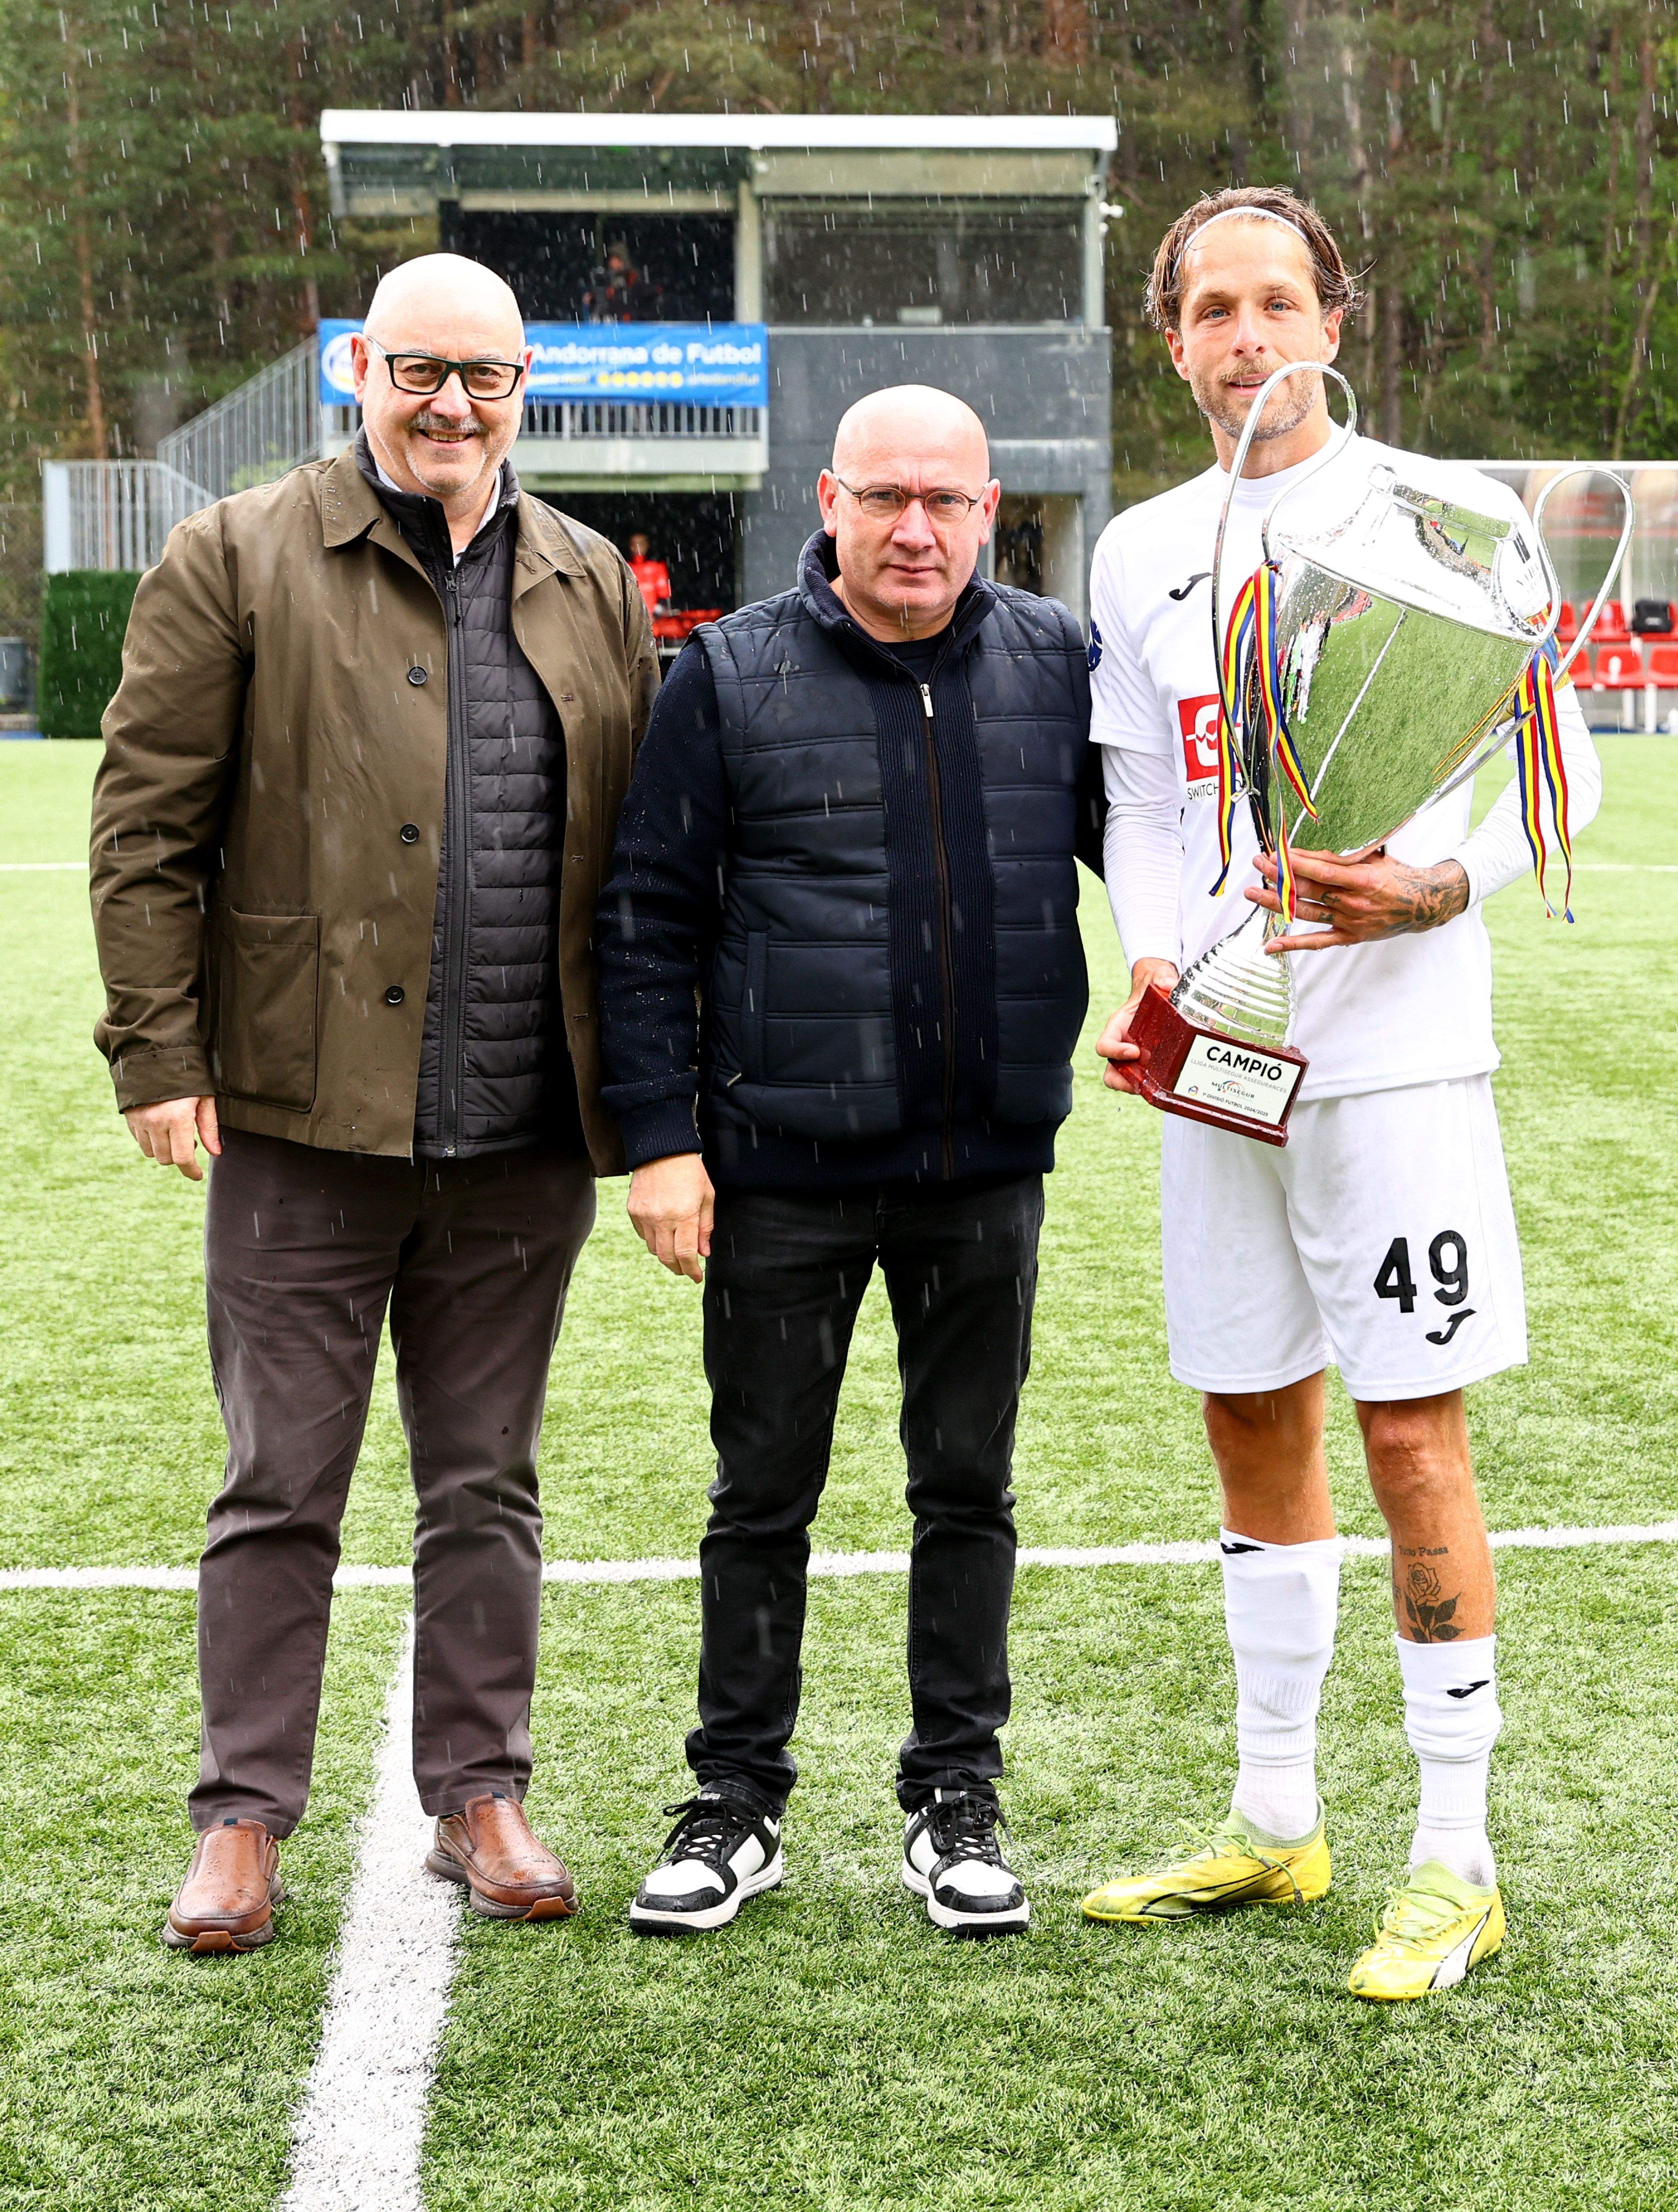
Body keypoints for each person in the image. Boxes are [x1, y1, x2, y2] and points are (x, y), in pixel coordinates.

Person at [91, 252, 657, 1954]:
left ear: (523, 386)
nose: (451, 407)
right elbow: (145, 827)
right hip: (298, 1119)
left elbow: (632, 858)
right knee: (282, 1486)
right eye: (419, 371)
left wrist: (643, 1110)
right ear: (359, 369)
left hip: (519, 1132)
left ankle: (478, 1790)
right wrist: (159, 1052)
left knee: (484, 1484)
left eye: (483, 379)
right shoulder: (236, 553)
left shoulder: (590, 578)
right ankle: (242, 1819)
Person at [1079, 186, 1601, 1998]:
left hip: (1393, 1060)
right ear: (1171, 339)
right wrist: (1152, 951)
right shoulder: (1140, 546)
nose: (1245, 335)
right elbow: (1142, 794)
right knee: (1244, 1412)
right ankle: (1275, 1815)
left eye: (1274, 301)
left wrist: (1424, 885)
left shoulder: (1446, 519)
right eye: (1209, 307)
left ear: (1330, 320)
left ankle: (1453, 1858)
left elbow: (1561, 781)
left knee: (1405, 1433)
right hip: (1222, 1047)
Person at [596, 384, 1099, 1939]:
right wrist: (663, 1140)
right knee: (762, 1495)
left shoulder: (1057, 666)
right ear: (828, 499)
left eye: (946, 500)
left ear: (992, 505)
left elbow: (1165, 851)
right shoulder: (731, 674)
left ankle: (955, 1796)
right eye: (884, 496)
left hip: (982, 1168)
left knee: (968, 1490)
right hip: (781, 1171)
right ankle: (733, 1798)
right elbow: (645, 920)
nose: (915, 528)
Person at [627, 531, 672, 620]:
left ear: (647, 545)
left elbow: (665, 597)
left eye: (641, 544)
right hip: (632, 619)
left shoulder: (657, 568)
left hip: (654, 620)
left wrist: (656, 613)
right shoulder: (626, 568)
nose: (638, 547)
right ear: (630, 547)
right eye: (635, 544)